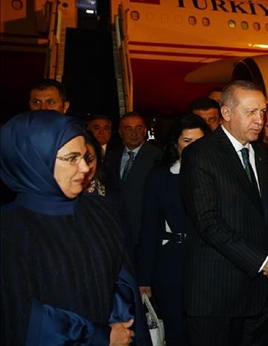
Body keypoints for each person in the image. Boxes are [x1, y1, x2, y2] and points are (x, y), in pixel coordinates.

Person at [0, 110, 149, 345]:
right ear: (34, 161)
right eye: (72, 158)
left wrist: (119, 324)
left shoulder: (99, 210)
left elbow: (122, 278)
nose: (84, 168)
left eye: (86, 158)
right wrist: (100, 336)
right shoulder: (10, 229)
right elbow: (21, 317)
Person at [179, 80, 268, 346]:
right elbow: (209, 223)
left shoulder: (260, 152)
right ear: (227, 114)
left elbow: (260, 218)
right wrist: (266, 262)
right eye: (251, 112)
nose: (260, 120)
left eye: (262, 112)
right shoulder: (200, 154)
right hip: (216, 295)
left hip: (257, 295)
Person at [137, 114, 209, 346]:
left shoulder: (218, 175)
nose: (193, 147)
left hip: (207, 263)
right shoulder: (160, 176)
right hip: (171, 262)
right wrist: (144, 277)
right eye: (187, 141)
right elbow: (149, 226)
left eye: (199, 141)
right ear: (175, 143)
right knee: (176, 328)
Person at [106, 111, 162, 261]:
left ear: (145, 131)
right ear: (120, 132)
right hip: (116, 229)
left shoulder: (157, 156)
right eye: (128, 129)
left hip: (144, 229)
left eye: (138, 128)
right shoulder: (111, 156)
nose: (134, 133)